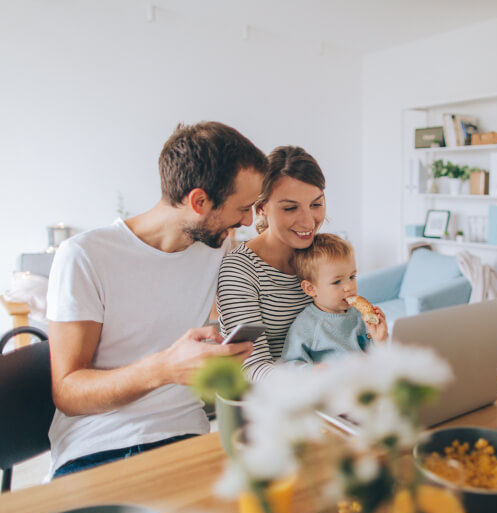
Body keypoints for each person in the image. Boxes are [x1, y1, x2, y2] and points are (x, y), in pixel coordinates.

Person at [46, 121, 267, 477]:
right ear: (199, 201)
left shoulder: (217, 247)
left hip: (187, 438)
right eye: (243, 207)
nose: (248, 220)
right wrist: (164, 368)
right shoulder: (85, 255)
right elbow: (68, 393)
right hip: (100, 447)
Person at [217, 145, 326, 382]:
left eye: (316, 204)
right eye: (290, 208)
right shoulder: (240, 270)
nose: (309, 221)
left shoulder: (324, 255)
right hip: (273, 402)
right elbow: (252, 368)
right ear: (261, 208)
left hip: (330, 392)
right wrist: (317, 376)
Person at [281, 233, 388, 364]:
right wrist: (313, 371)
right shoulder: (306, 325)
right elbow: (289, 366)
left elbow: (377, 358)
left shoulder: (360, 315)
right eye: (337, 282)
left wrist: (380, 340)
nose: (349, 287)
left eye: (352, 277)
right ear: (310, 288)